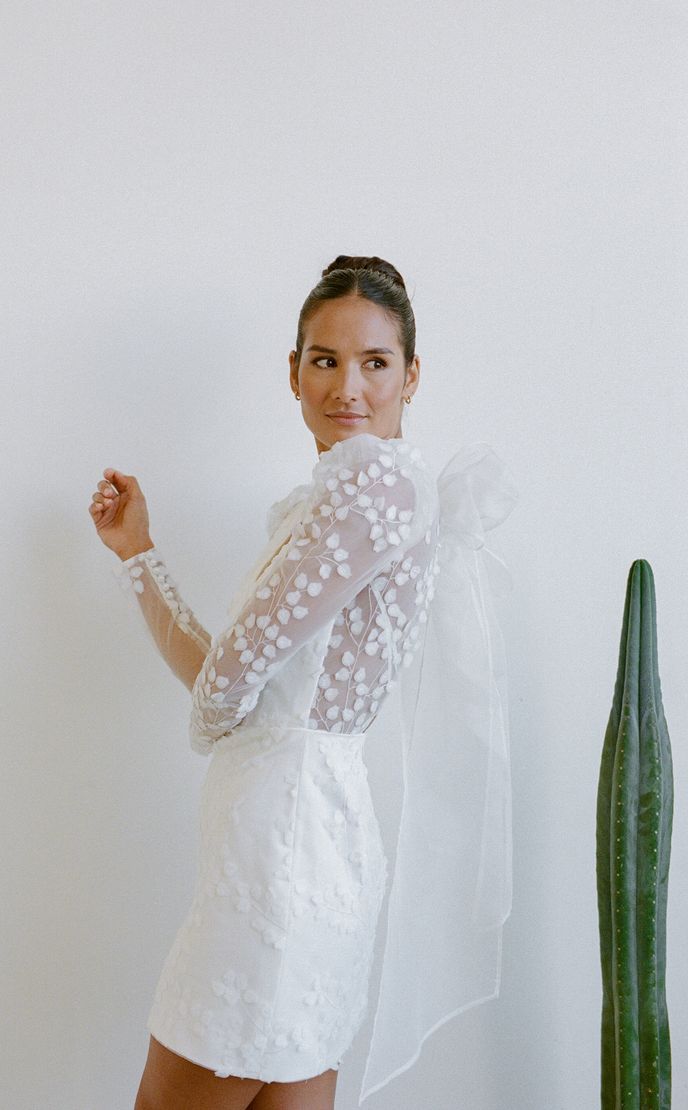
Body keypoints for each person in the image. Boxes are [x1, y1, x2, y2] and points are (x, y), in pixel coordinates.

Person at [89, 256, 516, 1110]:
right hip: (302, 834)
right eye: (324, 360)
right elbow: (227, 676)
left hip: (284, 845)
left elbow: (223, 687)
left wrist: (220, 708)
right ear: (293, 372)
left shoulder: (376, 485)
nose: (348, 387)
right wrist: (139, 553)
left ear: (412, 375)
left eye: (375, 362)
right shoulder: (332, 498)